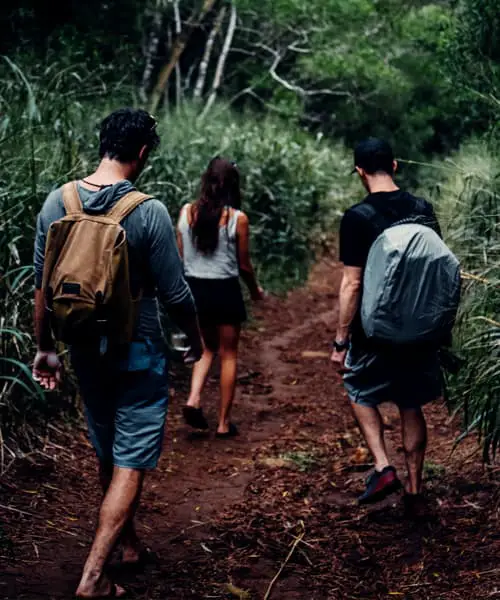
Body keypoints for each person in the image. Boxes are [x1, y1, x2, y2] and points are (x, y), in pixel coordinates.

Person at [32, 108, 203, 599]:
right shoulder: (146, 211)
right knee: (131, 459)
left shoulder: (57, 202)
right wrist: (196, 338)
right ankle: (92, 577)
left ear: (103, 141)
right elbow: (175, 294)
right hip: (140, 348)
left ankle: (127, 546)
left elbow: (42, 288)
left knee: (109, 446)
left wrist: (46, 349)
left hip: (83, 346)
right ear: (143, 152)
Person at [331, 138, 444, 513]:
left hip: (374, 329)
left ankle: (382, 466)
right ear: (394, 165)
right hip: (419, 325)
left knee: (358, 389)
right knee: (411, 403)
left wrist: (341, 339)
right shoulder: (422, 209)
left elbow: (353, 283)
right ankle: (414, 491)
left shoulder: (357, 217)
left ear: (360, 172)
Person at [177, 157, 264, 437]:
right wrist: (255, 290)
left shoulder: (186, 213)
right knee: (228, 355)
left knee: (204, 348)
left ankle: (193, 399)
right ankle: (224, 423)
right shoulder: (237, 219)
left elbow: (181, 256)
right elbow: (244, 266)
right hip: (224, 291)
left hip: (194, 290)